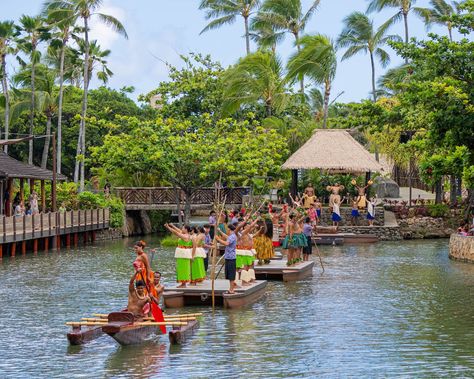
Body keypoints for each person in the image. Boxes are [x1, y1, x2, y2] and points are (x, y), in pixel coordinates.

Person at [164, 223, 193, 288]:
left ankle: (184, 284)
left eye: (183, 228)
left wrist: (168, 227)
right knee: (181, 267)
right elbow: (178, 230)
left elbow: (176, 233)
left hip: (184, 254)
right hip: (182, 253)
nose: (181, 229)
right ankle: (183, 283)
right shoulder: (185, 234)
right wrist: (172, 226)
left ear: (186, 229)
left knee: (183, 268)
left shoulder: (186, 236)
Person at [215, 224, 238, 294]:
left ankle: (232, 289)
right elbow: (226, 237)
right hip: (228, 257)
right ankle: (232, 286)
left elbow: (227, 243)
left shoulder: (233, 236)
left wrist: (218, 239)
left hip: (231, 258)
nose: (226, 231)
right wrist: (220, 231)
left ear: (229, 229)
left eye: (227, 229)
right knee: (228, 274)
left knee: (231, 274)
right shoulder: (231, 236)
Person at [235, 218, 259, 285]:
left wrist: (256, 227)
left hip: (249, 251)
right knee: (245, 267)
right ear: (244, 227)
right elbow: (251, 227)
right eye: (247, 226)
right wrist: (256, 220)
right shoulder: (243, 233)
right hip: (245, 251)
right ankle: (244, 281)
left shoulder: (248, 234)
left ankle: (249, 279)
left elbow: (252, 228)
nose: (249, 227)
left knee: (249, 266)